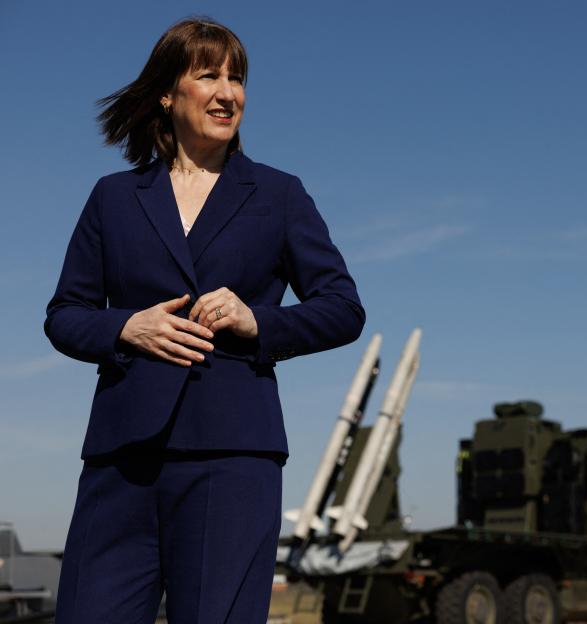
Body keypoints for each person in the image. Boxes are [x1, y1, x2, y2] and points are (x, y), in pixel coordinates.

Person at [44, 17, 364, 623]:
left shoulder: (278, 194)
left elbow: (342, 308)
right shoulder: (113, 197)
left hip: (233, 454)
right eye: (209, 75)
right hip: (123, 455)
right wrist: (124, 328)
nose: (228, 92)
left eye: (237, 78)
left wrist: (258, 320)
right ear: (168, 93)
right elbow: (64, 315)